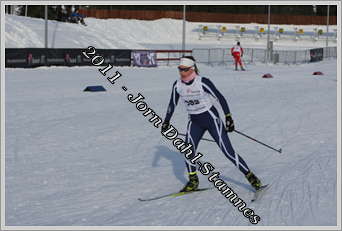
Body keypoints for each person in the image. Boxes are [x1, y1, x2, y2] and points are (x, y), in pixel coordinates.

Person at [161, 56, 262, 192]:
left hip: (211, 120)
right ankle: (193, 181)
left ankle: (251, 177)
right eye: (179, 69)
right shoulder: (177, 85)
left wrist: (228, 117)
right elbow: (172, 104)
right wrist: (166, 121)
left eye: (184, 69)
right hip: (195, 122)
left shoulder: (202, 82)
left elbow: (220, 97)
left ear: (191, 69)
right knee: (187, 151)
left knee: (228, 152)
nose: (181, 72)